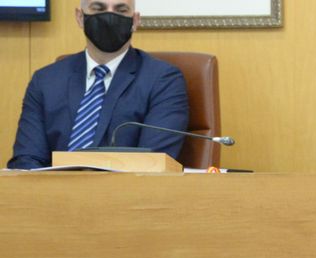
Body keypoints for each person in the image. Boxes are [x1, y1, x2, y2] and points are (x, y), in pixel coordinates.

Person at [7, 0, 189, 170]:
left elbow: (154, 163)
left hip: (125, 198)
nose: (109, 18)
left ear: (135, 20)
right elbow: (26, 160)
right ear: (80, 17)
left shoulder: (163, 80)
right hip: (51, 196)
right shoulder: (46, 80)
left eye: (121, 10)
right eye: (98, 9)